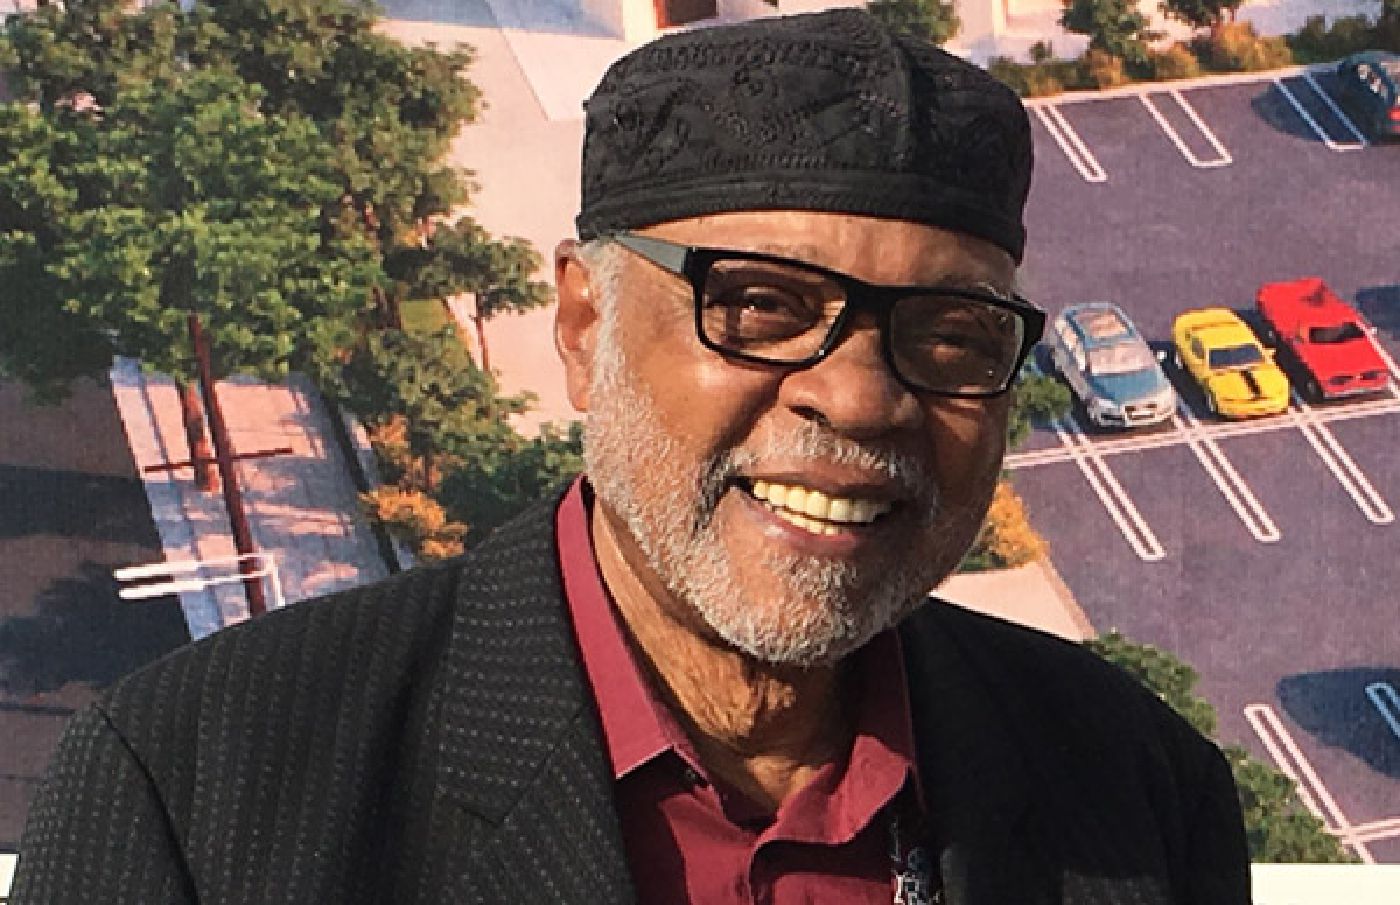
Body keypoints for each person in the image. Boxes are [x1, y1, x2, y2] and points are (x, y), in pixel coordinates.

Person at [13, 9, 1250, 904]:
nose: (861, 399)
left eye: (950, 333)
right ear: (584, 323)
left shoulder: (1133, 787)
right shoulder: (201, 792)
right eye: (762, 304)